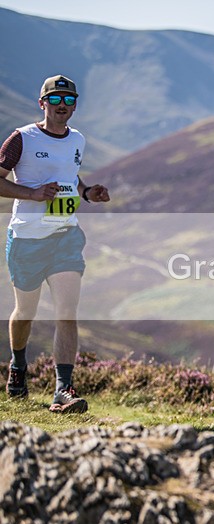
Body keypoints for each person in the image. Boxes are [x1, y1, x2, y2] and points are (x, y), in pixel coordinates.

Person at [1, 74, 110, 413]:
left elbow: (69, 176)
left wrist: (87, 193)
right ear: (42, 103)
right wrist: (31, 194)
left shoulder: (77, 139)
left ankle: (63, 389)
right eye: (57, 99)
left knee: (67, 310)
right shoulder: (22, 138)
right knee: (26, 312)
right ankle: (18, 365)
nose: (63, 106)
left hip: (65, 236)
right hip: (27, 239)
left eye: (70, 100)